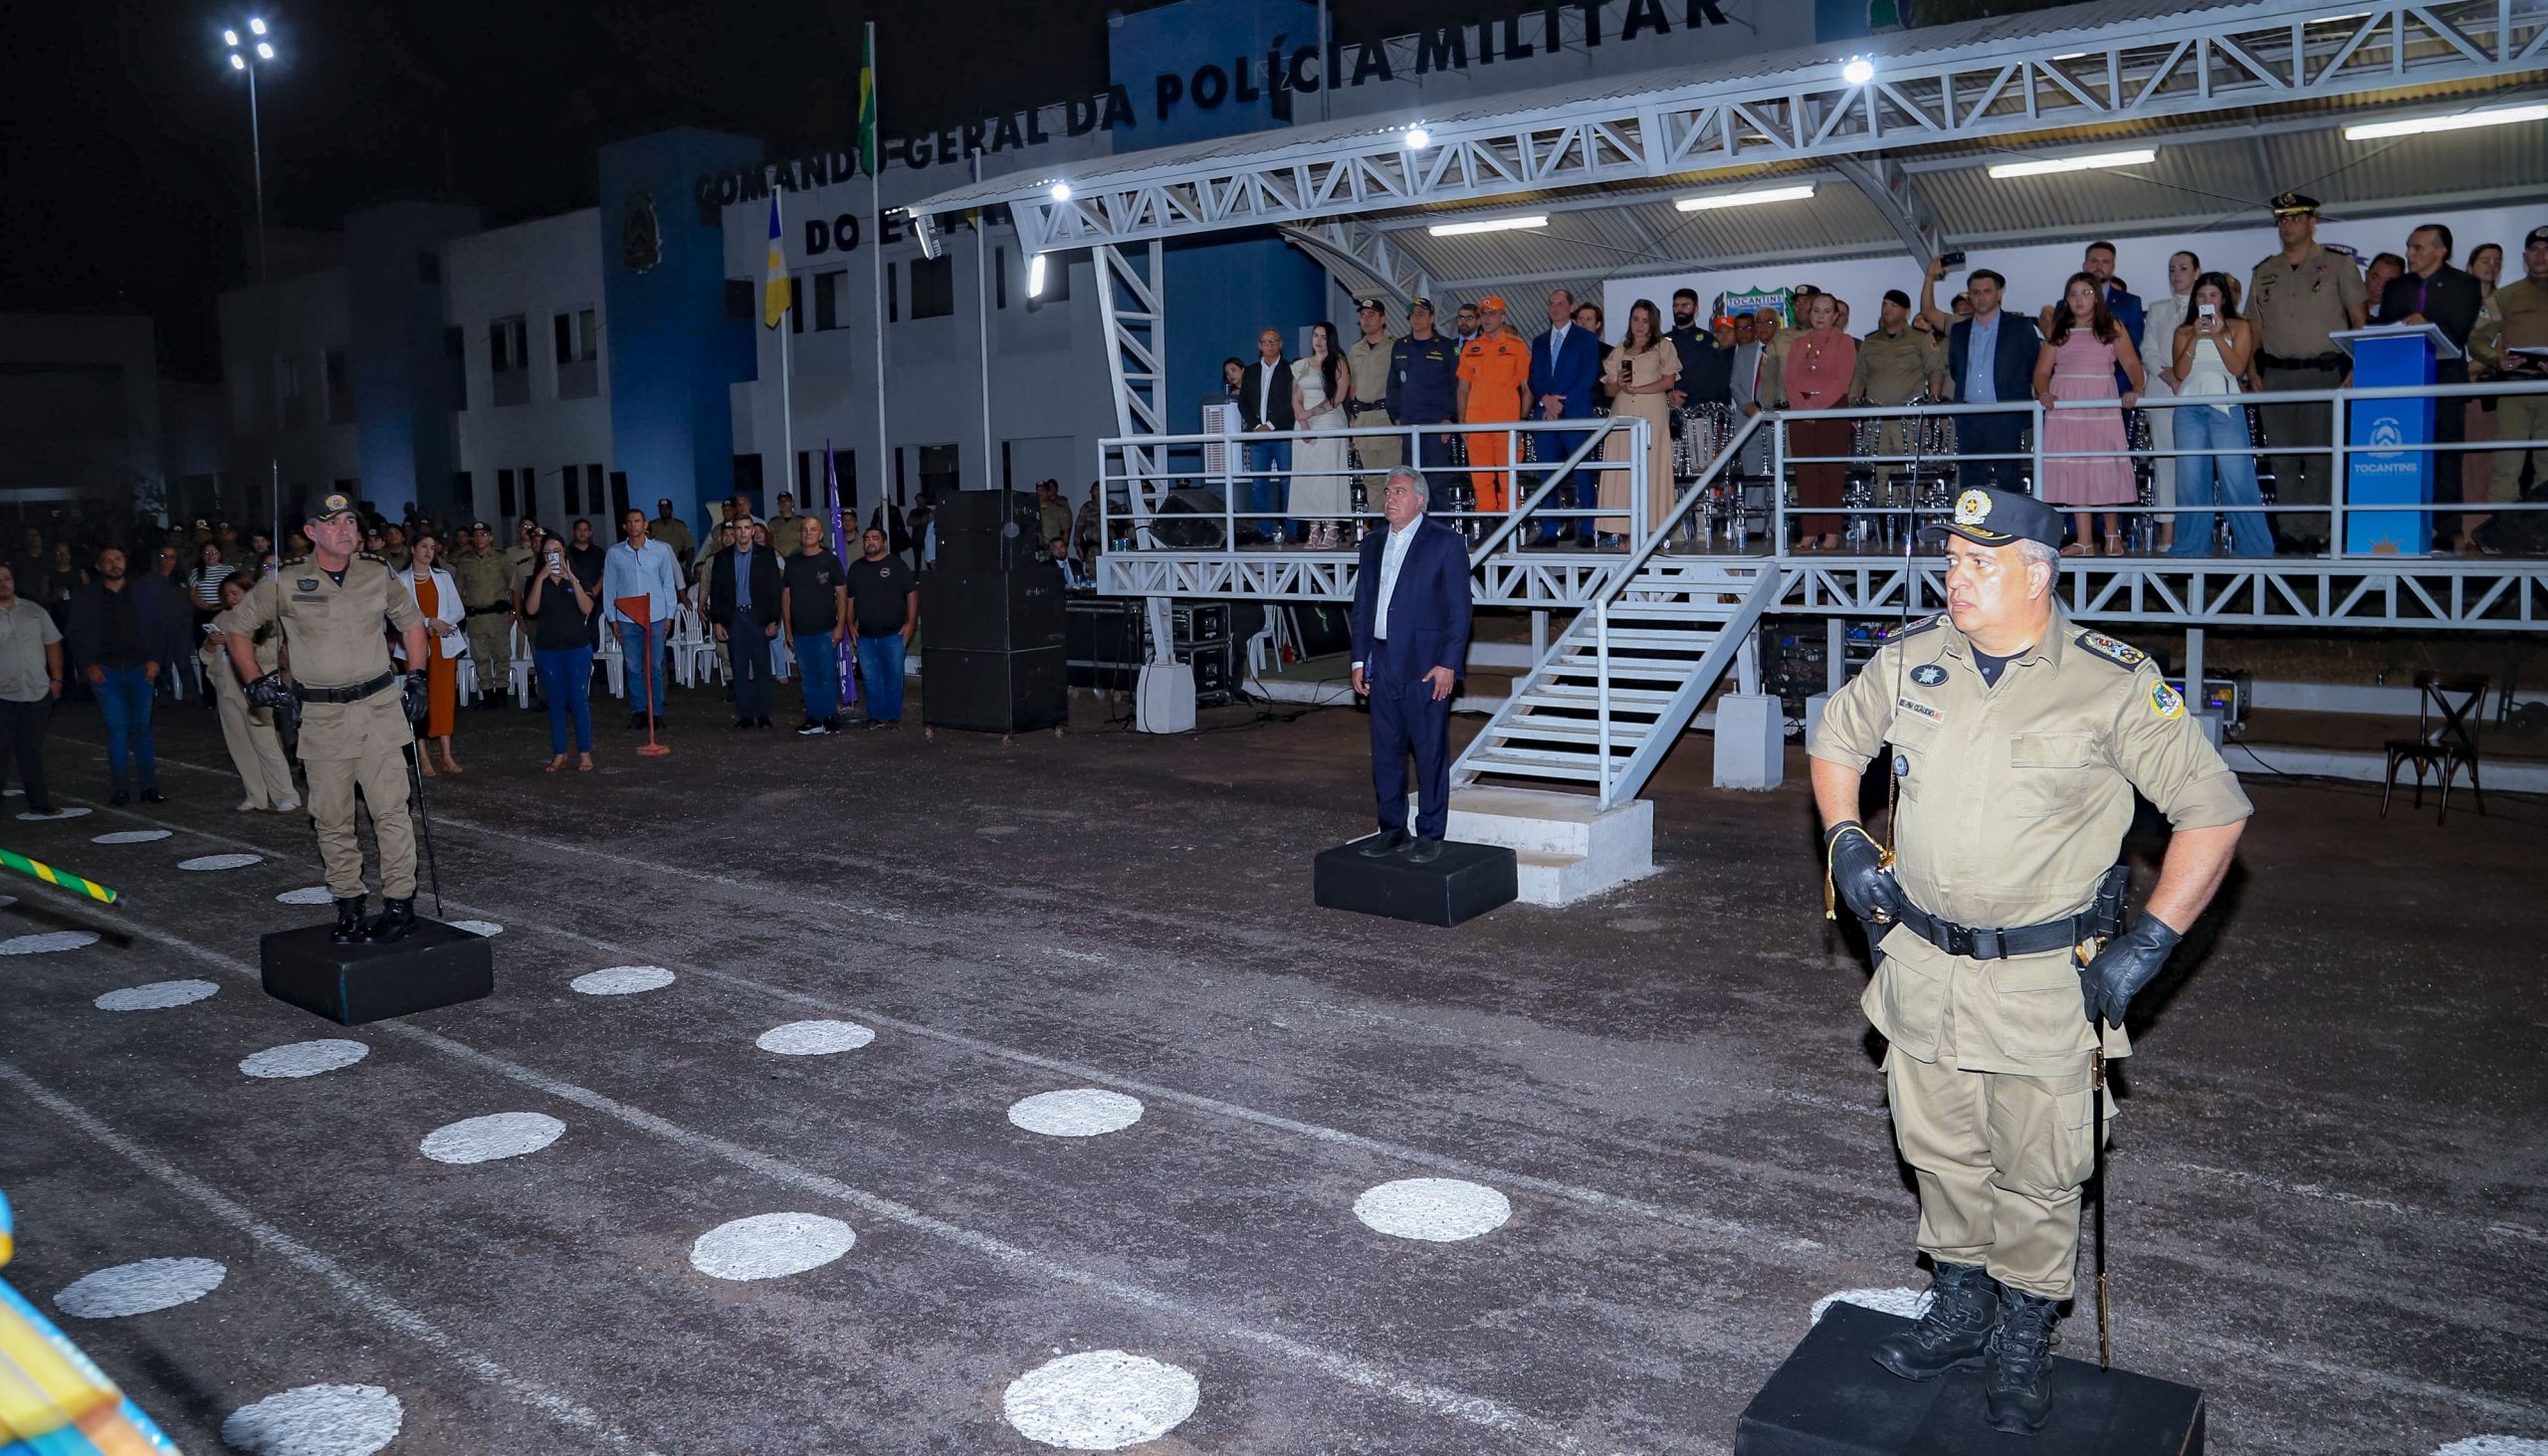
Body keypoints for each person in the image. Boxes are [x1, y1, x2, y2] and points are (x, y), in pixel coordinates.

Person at [1808, 486, 2250, 1435]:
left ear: (2038, 576)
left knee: (2041, 1170)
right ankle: (1961, 1305)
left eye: (1980, 563)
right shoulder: (1913, 659)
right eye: (1952, 560)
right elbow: (1836, 737)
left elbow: (2214, 812)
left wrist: (2153, 939)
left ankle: (2022, 1330)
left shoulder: (2111, 682)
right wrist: (1844, 834)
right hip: (1924, 967)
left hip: (2045, 981)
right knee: (1938, 1151)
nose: (1955, 578)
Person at [217, 493, 431, 943]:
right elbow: (237, 627)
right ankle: (349, 904)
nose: (346, 530)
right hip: (322, 716)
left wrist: (416, 676)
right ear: (311, 532)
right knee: (332, 818)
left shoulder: (376, 572)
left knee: (392, 811)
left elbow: (412, 622)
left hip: (377, 711)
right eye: (333, 523)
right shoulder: (286, 581)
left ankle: (399, 906)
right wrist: (253, 680)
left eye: (350, 521)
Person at [1349, 468, 1472, 864]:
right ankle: (1392, 829)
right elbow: (1363, 605)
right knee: (1386, 750)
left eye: (1399, 492)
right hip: (1380, 660)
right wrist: (1358, 658)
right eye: (1388, 491)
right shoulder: (1372, 543)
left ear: (1420, 500)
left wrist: (1448, 663)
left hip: (1425, 664)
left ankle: (1430, 832)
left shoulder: (1445, 543)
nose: (1390, 498)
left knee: (1429, 749)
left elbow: (1459, 610)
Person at [2249, 192, 2369, 550]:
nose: (2287, 225)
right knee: (2282, 458)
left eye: (2295, 218)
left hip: (2323, 372)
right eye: (2282, 219)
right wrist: (2252, 372)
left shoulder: (2339, 265)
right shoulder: (2264, 271)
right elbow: (2254, 328)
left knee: (2320, 456)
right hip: (2276, 374)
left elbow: (2359, 320)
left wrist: (2359, 366)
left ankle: (2317, 531)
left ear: (2313, 221)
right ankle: (2290, 530)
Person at [2380, 222, 2485, 547]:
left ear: (2441, 250)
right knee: (2401, 454)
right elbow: (2383, 332)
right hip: (2403, 381)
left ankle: (2446, 529)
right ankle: (2400, 522)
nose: (2409, 253)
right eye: (2409, 246)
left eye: (2417, 247)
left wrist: (2429, 325)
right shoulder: (2396, 287)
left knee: (2445, 457)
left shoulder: (2465, 284)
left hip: (2445, 382)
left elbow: (2458, 331)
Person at [2035, 272, 2146, 555]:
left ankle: (2112, 535)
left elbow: (2132, 364)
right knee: (2075, 469)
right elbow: (2042, 372)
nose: (2079, 299)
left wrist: (2137, 389)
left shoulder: (2112, 326)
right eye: (2073, 294)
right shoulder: (2058, 331)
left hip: (2101, 404)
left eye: (2085, 293)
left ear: (2096, 296)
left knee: (2105, 467)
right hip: (2066, 407)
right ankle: (2084, 540)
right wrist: (2044, 392)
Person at [2167, 272, 2275, 557]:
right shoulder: (2183, 331)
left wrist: (2216, 337)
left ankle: (2255, 548)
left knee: (2237, 475)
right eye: (2201, 296)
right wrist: (2195, 337)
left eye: (2213, 295)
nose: (2207, 300)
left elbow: (2238, 368)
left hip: (2226, 404)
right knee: (2190, 479)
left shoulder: (2239, 327)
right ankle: (2191, 547)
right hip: (2189, 406)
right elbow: (2180, 372)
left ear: (2223, 299)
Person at [2467, 226, 2548, 551]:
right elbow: (2476, 339)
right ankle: (2499, 540)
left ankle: (2542, 539)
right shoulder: (2505, 295)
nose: (2541, 256)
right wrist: (2496, 359)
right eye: (2535, 250)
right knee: (2506, 465)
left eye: (2547, 249)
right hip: (2515, 389)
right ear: (2525, 256)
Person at [65, 547, 163, 806]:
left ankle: (149, 787)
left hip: (141, 668)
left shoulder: (142, 592)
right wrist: (88, 665)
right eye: (107, 560)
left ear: (125, 561)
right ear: (99, 567)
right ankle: (120, 789)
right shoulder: (87, 596)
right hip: (106, 671)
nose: (114, 564)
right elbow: (75, 632)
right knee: (117, 728)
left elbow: (159, 627)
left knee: (142, 728)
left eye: (118, 558)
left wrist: (155, 660)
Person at [199, 574, 298, 812]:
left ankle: (286, 794)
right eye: (227, 595)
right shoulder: (221, 618)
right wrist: (212, 643)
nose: (231, 598)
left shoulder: (265, 619)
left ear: (249, 591)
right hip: (225, 686)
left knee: (265, 743)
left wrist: (238, 644)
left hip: (255, 688)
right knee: (239, 745)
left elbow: (270, 654)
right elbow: (206, 656)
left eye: (236, 593)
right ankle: (255, 794)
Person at [1850, 287, 1949, 521]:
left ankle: (1911, 520)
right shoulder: (1871, 342)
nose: (1887, 310)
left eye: (1894, 306)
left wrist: (1932, 407)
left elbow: (1936, 371)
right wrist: (1852, 409)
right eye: (1884, 304)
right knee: (1879, 470)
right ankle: (1884, 520)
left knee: (1911, 470)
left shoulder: (1921, 339)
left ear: (1906, 311)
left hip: (1910, 419)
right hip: (1876, 420)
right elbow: (1859, 376)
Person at [1945, 268, 2044, 493]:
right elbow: (1956, 368)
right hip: (1969, 414)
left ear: (1999, 293)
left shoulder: (2020, 326)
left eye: (1987, 291)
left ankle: (2009, 518)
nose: (1981, 297)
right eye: (1975, 292)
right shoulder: (1959, 330)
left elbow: (2033, 364)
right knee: (1971, 481)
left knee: (2008, 479)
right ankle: (1972, 518)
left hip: (2006, 414)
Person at [1594, 300, 1681, 548]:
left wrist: (1639, 389)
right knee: (1623, 470)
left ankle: (1652, 529)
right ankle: (1624, 530)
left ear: (1653, 323)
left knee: (1652, 468)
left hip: (1652, 412)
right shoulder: (1619, 350)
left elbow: (1669, 381)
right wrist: (1619, 385)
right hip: (1622, 413)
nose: (1640, 325)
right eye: (1635, 319)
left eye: (1645, 321)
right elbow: (1608, 390)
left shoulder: (1663, 346)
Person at [1528, 288, 1605, 542]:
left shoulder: (1586, 338)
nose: (1555, 307)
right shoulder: (1539, 341)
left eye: (1560, 303)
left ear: (1571, 307)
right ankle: (1550, 529)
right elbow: (1533, 377)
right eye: (1551, 303)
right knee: (1547, 473)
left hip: (1574, 412)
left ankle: (1588, 528)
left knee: (1582, 471)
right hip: (1546, 414)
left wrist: (1561, 402)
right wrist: (1545, 399)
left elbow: (1588, 375)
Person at [1786, 294, 1859, 551]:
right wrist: (1800, 407)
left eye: (1827, 311)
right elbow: (1790, 380)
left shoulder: (1845, 342)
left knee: (1831, 472)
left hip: (1833, 411)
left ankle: (1831, 531)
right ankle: (1809, 531)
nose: (1820, 316)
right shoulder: (1798, 343)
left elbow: (1841, 382)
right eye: (1816, 310)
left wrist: (1814, 407)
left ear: (1836, 316)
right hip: (1799, 413)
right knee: (1805, 473)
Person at [2139, 251, 2203, 554]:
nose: (2176, 274)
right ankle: (2167, 532)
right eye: (2172, 269)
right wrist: (2171, 378)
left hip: (2201, 392)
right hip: (2163, 393)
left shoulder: (2208, 308)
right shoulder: (2158, 308)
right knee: (2166, 464)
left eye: (2183, 268)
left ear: (2197, 272)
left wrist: (2186, 380)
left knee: (2197, 464)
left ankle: (2196, 532)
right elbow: (2148, 350)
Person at [601, 506, 681, 730]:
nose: (634, 525)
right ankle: (639, 710)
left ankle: (656, 712)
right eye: (630, 522)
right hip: (627, 618)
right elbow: (610, 587)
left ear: (645, 525)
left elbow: (668, 583)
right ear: (624, 526)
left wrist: (670, 615)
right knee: (634, 666)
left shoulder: (660, 551)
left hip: (655, 616)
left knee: (655, 665)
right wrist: (612, 618)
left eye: (638, 521)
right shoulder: (615, 553)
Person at [523, 531, 596, 770]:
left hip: (577, 646)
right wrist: (541, 577)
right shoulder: (536, 580)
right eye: (548, 553)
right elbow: (530, 610)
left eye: (557, 552)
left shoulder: (577, 576)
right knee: (555, 700)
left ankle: (585, 752)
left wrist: (571, 579)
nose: (553, 556)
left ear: (564, 553)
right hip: (548, 648)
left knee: (578, 699)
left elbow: (587, 608)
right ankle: (560, 752)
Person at [396, 533, 467, 775]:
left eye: (432, 548)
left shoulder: (443, 576)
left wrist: (439, 623)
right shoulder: (402, 580)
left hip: (443, 642)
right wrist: (428, 621)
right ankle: (423, 756)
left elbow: (458, 610)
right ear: (412, 549)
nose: (428, 551)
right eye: (424, 546)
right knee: (420, 697)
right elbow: (399, 613)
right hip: (415, 644)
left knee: (444, 698)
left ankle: (447, 755)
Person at [0, 564, 66, 818]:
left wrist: (57, 678)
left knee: (31, 750)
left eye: (7, 578)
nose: (3, 583)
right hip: (4, 695)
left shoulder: (34, 610)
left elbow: (52, 643)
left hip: (36, 693)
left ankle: (39, 802)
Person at [1457, 297, 1531, 516]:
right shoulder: (1470, 348)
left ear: (1503, 317)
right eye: (1484, 314)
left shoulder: (1516, 346)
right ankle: (1488, 524)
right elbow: (1462, 389)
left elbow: (1527, 387)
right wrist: (1462, 423)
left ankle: (1510, 525)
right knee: (1481, 480)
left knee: (1509, 478)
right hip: (1476, 426)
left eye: (1493, 314)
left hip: (1507, 426)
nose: (1488, 318)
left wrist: (1522, 422)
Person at [2037, 241, 2145, 390]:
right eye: (2094, 261)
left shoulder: (2130, 303)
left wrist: (2135, 387)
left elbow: (2133, 351)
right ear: (2084, 265)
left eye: (2105, 262)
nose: (2099, 266)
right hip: (2067, 388)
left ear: (2113, 267)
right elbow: (2047, 363)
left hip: (2114, 387)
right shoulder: (2062, 308)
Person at [709, 514, 782, 728]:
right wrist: (717, 622)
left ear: (753, 531)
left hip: (758, 618)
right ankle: (745, 715)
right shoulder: (722, 557)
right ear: (734, 532)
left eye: (747, 528)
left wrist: (774, 620)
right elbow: (716, 591)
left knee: (761, 667)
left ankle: (763, 714)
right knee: (739, 667)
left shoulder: (766, 555)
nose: (742, 532)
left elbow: (774, 589)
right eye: (738, 528)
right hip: (734, 618)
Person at [782, 515, 849, 735]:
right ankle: (814, 718)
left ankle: (830, 718)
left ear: (820, 535)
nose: (808, 533)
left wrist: (840, 626)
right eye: (804, 529)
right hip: (800, 631)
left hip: (825, 630)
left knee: (827, 676)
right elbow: (786, 597)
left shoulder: (830, 561)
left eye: (813, 530)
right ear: (799, 534)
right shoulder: (793, 563)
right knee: (808, 677)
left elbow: (842, 595)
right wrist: (788, 628)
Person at [846, 525, 917, 728]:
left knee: (894, 678)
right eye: (867, 538)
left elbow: (912, 594)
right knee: (870, 680)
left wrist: (910, 624)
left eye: (875, 538)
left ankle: (893, 717)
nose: (870, 541)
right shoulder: (856, 568)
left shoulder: (896, 565)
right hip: (865, 636)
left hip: (894, 634)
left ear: (884, 542)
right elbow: (849, 599)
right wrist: (850, 624)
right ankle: (876, 717)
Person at [1386, 298, 1462, 484]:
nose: (1416, 318)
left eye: (1421, 314)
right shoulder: (1400, 346)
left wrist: (1451, 418)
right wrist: (1396, 418)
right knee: (1411, 482)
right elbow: (1393, 385)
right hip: (1409, 424)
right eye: (1413, 314)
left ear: (1432, 318)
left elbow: (1456, 386)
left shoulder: (1447, 347)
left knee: (1437, 482)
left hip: (1437, 426)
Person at [1292, 321, 1353, 548]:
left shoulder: (1338, 363)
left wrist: (1310, 414)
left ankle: (1332, 528)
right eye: (1316, 335)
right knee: (1308, 476)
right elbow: (1296, 396)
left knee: (1329, 476)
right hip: (1303, 425)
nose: (1318, 340)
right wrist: (1302, 420)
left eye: (1324, 337)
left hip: (1329, 422)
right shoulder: (1302, 364)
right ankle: (1314, 529)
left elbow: (1338, 398)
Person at [1236, 328, 1296, 544]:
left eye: (1274, 341)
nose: (1270, 345)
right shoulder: (1251, 371)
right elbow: (1243, 403)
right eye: (1266, 341)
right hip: (1258, 436)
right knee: (1259, 483)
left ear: (1281, 344)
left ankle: (1292, 530)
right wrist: (1256, 426)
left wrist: (1270, 426)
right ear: (1259, 345)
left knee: (1288, 482)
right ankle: (1264, 530)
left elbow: (1292, 403)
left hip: (1282, 433)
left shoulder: (1290, 369)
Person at [452, 520, 516, 698]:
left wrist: (513, 611)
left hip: (498, 615)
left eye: (484, 535)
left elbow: (514, 585)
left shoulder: (501, 558)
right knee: (480, 657)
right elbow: (458, 589)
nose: (479, 538)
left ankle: (502, 691)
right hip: (476, 617)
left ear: (491, 538)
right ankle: (487, 693)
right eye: (476, 535)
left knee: (502, 654)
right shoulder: (465, 561)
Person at [1344, 298, 1401, 484]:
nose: (1366, 319)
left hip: (1387, 417)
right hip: (1364, 420)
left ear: (1383, 319)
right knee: (1370, 480)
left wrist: (1400, 419)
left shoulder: (1395, 346)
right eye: (1363, 315)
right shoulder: (1355, 349)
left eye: (1371, 315)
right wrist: (1353, 416)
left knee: (1392, 477)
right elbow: (1353, 384)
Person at [650, 498, 696, 570]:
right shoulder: (652, 525)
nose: (664, 511)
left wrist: (688, 565)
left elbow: (690, 546)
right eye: (662, 509)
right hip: (657, 563)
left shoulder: (680, 525)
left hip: (676, 563)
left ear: (671, 509)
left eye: (667, 509)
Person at [2362, 252, 2406, 321]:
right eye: (2375, 278)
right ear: (2366, 275)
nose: (2379, 287)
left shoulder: (2402, 319)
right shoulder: (2344, 302)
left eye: (2389, 283)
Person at [768, 492, 805, 558]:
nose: (783, 503)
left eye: (786, 501)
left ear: (792, 503)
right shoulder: (773, 523)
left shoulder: (802, 521)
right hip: (779, 560)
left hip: (797, 558)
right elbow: (769, 541)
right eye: (780, 501)